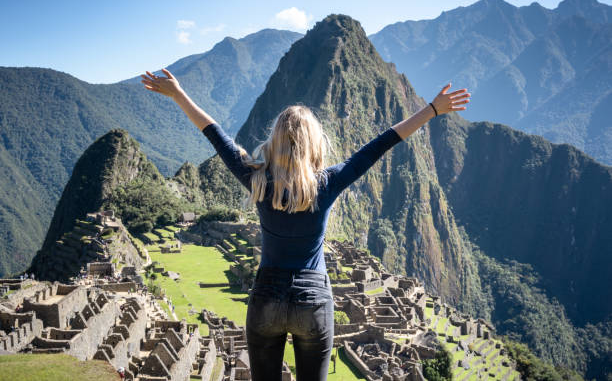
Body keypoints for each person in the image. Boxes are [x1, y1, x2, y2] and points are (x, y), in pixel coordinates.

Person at [141, 68, 470, 381]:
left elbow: (217, 136)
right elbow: (379, 146)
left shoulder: (258, 181)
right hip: (313, 303)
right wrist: (432, 110)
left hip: (266, 299)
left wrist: (179, 95)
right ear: (313, 143)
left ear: (275, 141)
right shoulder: (326, 184)